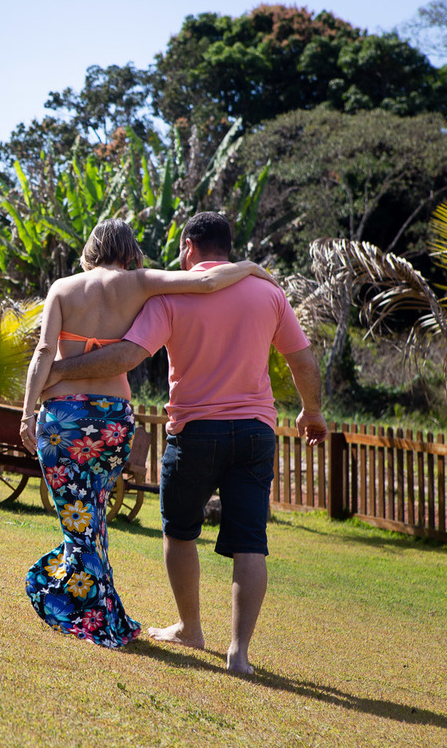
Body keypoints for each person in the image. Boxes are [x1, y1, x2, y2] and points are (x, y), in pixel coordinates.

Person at [43, 212, 329, 671]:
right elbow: (302, 360)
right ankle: (239, 653)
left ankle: (191, 629)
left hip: (194, 429)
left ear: (190, 247)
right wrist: (312, 411)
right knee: (250, 541)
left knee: (179, 532)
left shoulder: (172, 295)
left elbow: (128, 355)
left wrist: (58, 372)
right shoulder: (269, 292)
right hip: (256, 430)